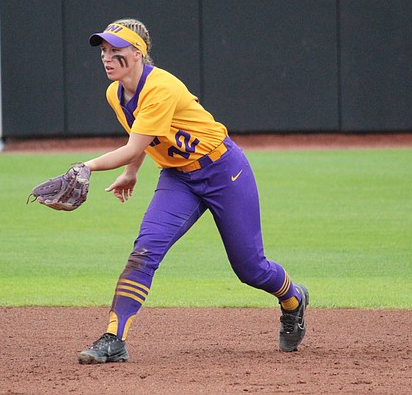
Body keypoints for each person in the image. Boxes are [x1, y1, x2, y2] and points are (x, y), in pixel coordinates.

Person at [77, 18, 308, 364]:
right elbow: (141, 139)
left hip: (224, 171)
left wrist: (88, 166)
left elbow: (132, 144)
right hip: (178, 178)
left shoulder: (161, 88)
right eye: (104, 51)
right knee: (145, 250)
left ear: (138, 53)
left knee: (250, 269)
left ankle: (293, 299)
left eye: (116, 51)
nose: (107, 58)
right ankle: (114, 338)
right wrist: (131, 171)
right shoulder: (116, 93)